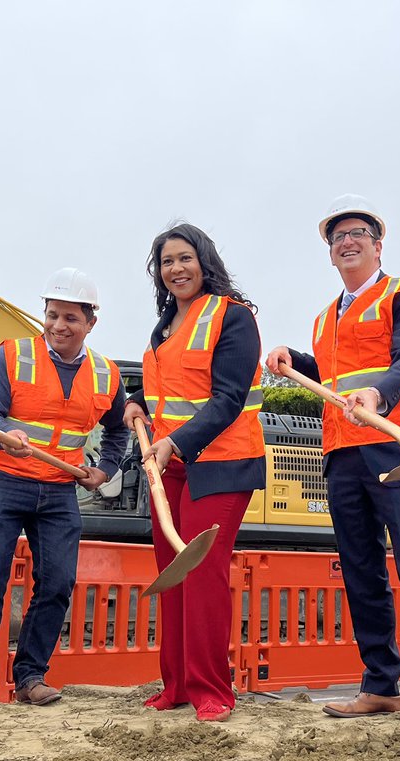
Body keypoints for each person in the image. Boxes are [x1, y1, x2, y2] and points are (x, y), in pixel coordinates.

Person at [265, 195, 400, 741]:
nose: (346, 242)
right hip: (342, 451)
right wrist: (291, 359)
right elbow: (329, 370)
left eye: (357, 234)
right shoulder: (327, 317)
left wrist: (381, 393)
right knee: (360, 567)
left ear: (378, 244)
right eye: (336, 238)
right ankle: (380, 685)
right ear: (330, 254)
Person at [0, 268, 128, 711]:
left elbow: (118, 433)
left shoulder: (106, 374)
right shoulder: (9, 357)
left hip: (58, 488)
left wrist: (104, 469)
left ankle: (30, 676)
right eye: (52, 315)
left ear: (91, 322)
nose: (58, 326)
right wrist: (6, 432)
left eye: (70, 317)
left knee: (58, 583)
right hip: (1, 479)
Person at [124, 223, 266, 723]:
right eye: (166, 262)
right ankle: (177, 685)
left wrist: (175, 441)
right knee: (174, 572)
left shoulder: (233, 318)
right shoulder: (165, 324)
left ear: (204, 262)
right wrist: (137, 404)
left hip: (222, 463)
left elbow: (228, 399)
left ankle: (213, 690)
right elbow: (168, 387)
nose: (175, 269)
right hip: (172, 465)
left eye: (184, 258)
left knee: (202, 571)